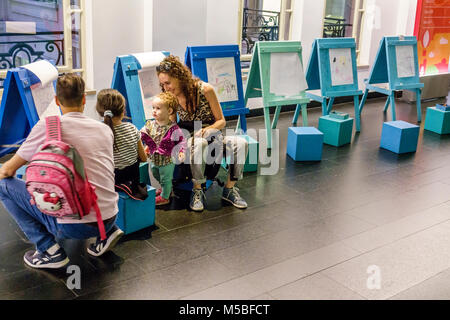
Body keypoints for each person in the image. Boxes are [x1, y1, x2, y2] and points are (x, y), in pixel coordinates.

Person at [0, 74, 123, 269]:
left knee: (3, 185)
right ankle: (107, 234)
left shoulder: (49, 126)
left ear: (57, 101)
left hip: (73, 226)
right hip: (109, 217)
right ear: (84, 99)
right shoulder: (104, 129)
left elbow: (7, 170)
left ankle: (49, 250)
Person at [156, 55, 249, 212]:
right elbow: (173, 126)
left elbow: (221, 121)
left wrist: (208, 129)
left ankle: (229, 189)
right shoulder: (171, 97)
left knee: (241, 144)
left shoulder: (205, 89)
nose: (166, 88)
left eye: (168, 83)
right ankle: (197, 189)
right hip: (190, 138)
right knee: (197, 143)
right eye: (162, 84)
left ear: (179, 77)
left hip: (212, 134)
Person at [96, 88, 148, 200]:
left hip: (112, 181)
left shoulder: (99, 132)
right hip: (132, 180)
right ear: (123, 110)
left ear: (99, 111)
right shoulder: (132, 128)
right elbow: (144, 158)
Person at [140, 92, 186, 206]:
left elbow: (182, 141)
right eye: (153, 108)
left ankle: (165, 196)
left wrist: (181, 152)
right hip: (154, 158)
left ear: (169, 111)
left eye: (158, 108)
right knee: (156, 173)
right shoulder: (150, 124)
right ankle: (166, 189)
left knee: (166, 178)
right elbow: (143, 135)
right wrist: (145, 148)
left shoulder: (173, 128)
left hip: (167, 160)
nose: (154, 111)